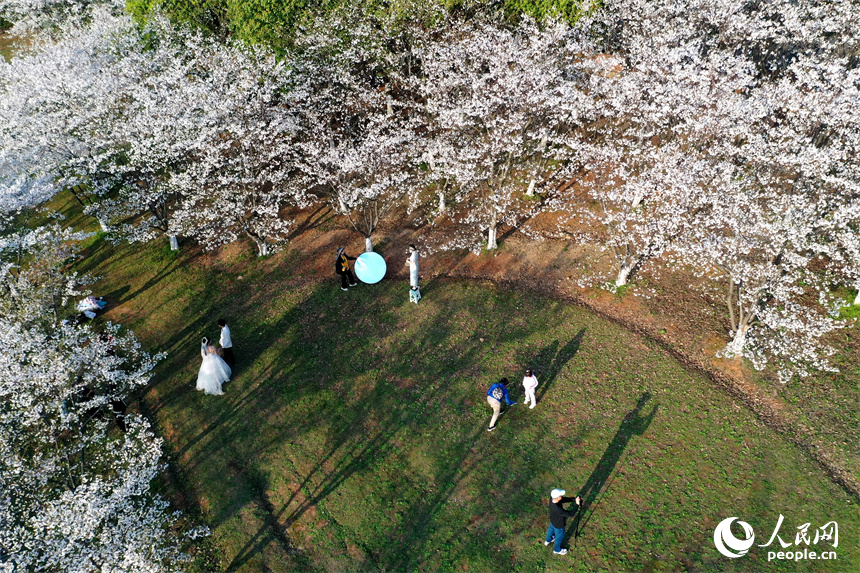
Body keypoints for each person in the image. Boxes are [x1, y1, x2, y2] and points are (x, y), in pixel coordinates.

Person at [545, 489, 582, 555]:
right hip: (559, 526)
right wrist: (577, 504)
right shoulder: (558, 509)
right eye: (560, 495)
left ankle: (548, 540)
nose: (562, 496)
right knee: (559, 537)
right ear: (558, 497)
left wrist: (572, 499)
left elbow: (562, 499)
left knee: (551, 529)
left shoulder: (552, 499)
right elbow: (571, 514)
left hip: (553, 520)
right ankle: (557, 550)